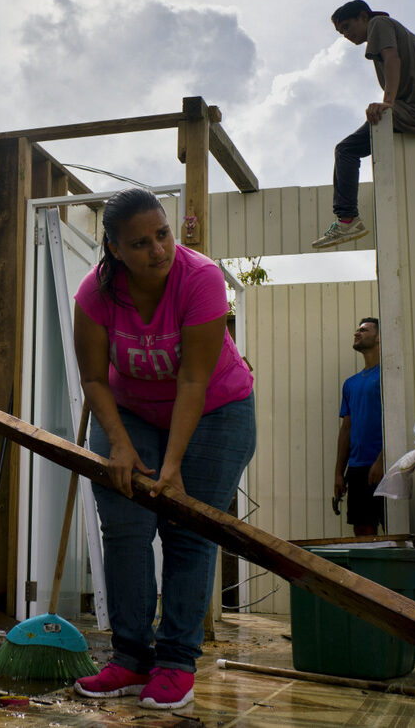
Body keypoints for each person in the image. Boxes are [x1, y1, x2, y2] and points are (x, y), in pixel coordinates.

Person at [71, 188, 256, 710]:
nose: (158, 249)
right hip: (129, 410)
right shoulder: (95, 294)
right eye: (140, 242)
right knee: (126, 528)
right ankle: (130, 659)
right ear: (114, 249)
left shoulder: (201, 279)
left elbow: (195, 380)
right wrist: (122, 448)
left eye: (163, 234)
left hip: (216, 409)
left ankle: (176, 663)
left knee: (188, 531)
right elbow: (92, 377)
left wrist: (171, 467)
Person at [313, 0, 415, 249]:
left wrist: (388, 103)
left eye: (348, 27)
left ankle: (347, 220)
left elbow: (392, 58)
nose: (347, 36)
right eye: (342, 33)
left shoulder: (379, 23)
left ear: (363, 16)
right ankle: (347, 219)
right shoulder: (398, 30)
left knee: (346, 149)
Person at [332, 317, 383, 535]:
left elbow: (396, 419)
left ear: (379, 337)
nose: (357, 333)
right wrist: (338, 473)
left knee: (394, 530)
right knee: (363, 533)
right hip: (357, 468)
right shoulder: (350, 383)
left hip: (384, 467)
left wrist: (382, 460)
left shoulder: (389, 375)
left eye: (364, 330)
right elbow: (346, 429)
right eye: (357, 329)